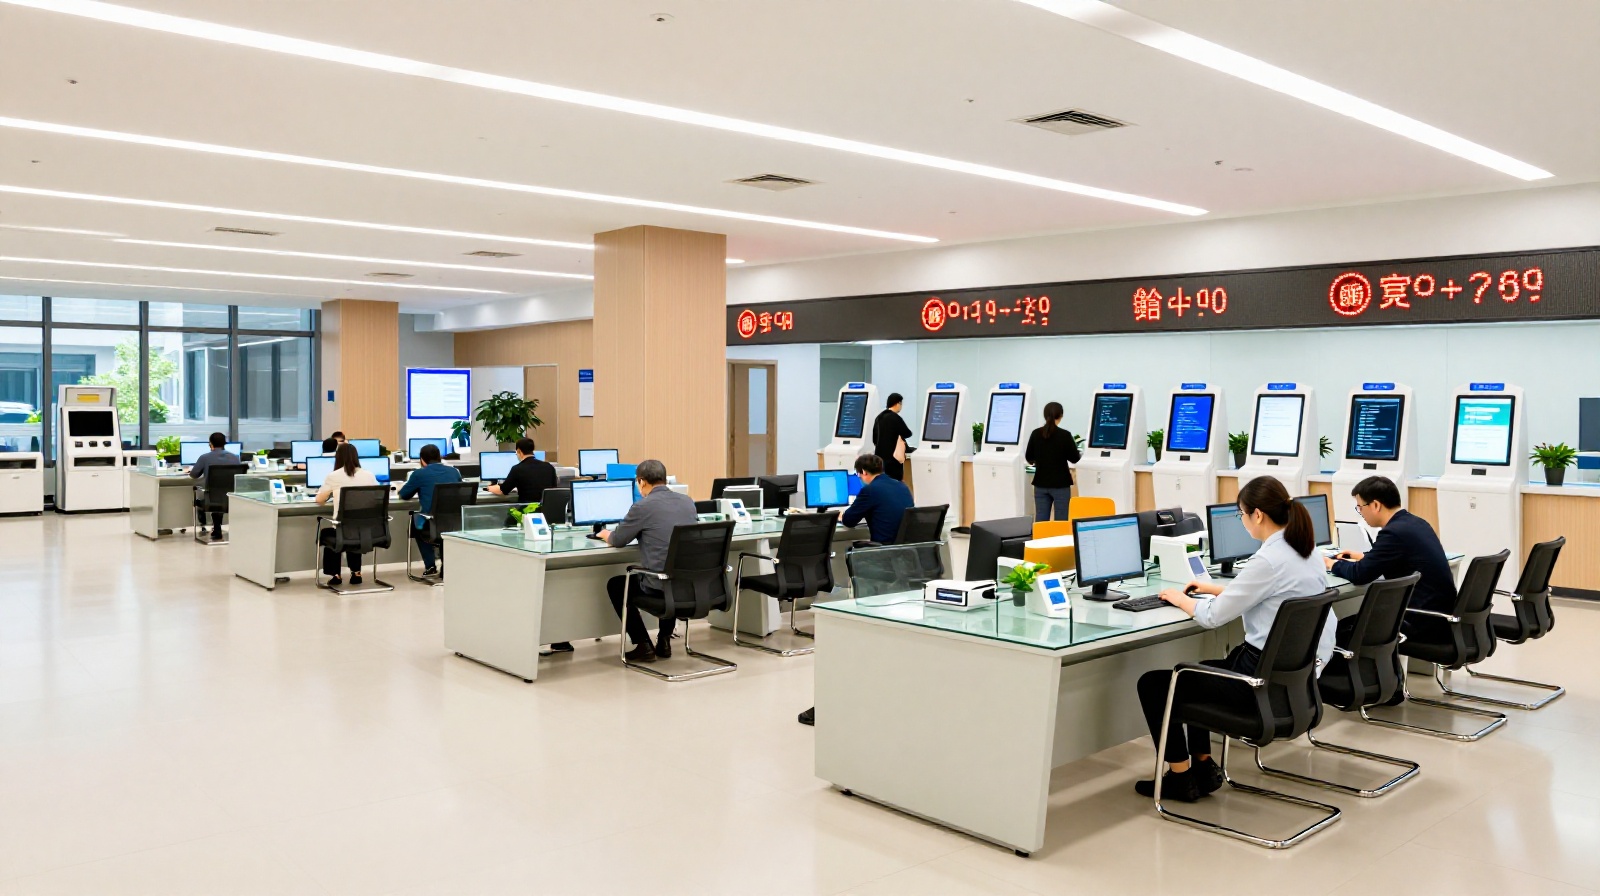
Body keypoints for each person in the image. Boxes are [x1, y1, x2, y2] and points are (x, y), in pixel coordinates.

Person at [1134, 476, 1334, 802]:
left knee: (1156, 684)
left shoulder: (1267, 560)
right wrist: (1215, 589)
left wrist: (1180, 598)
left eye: (1241, 514)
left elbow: (1213, 617)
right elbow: (1270, 595)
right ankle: (1203, 766)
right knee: (1199, 670)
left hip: (1256, 685)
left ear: (1258, 515)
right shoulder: (1306, 550)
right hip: (1290, 684)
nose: (1241, 521)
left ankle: (1180, 777)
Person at [1326, 475, 1457, 685]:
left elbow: (1361, 575)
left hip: (1421, 621)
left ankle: (1359, 687)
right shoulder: (1414, 523)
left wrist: (1331, 564)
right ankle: (1385, 684)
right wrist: (1366, 557)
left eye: (1360, 507)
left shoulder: (1393, 533)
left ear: (1376, 505)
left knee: (1344, 627)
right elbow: (1398, 557)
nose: (1361, 512)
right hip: (1439, 615)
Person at [602, 459, 699, 663]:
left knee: (617, 584)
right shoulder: (687, 501)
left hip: (659, 587)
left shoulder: (642, 506)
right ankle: (664, 639)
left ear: (642, 482)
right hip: (688, 584)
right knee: (672, 570)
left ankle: (643, 644)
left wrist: (604, 534)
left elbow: (618, 540)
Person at [314, 441, 380, 587]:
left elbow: (319, 500)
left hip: (343, 529)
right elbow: (377, 496)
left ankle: (335, 575)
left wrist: (329, 492)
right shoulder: (368, 475)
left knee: (331, 532)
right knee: (354, 526)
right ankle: (356, 573)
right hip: (366, 530)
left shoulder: (334, 476)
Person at [398, 442, 462, 577]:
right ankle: (447, 566)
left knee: (416, 524)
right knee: (443, 525)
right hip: (455, 523)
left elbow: (404, 495)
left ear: (422, 460)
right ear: (439, 457)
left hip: (431, 525)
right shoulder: (454, 471)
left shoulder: (418, 474)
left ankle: (430, 565)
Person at [1024, 401, 1082, 522]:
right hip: (1061, 485)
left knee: (1041, 521)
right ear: (1060, 416)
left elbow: (1029, 457)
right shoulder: (1065, 435)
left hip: (1040, 484)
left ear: (1045, 416)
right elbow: (1075, 458)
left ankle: (1040, 541)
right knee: (1060, 523)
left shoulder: (1036, 434)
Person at [842, 453, 914, 544]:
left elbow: (849, 521)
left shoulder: (869, 490)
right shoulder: (902, 486)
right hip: (907, 548)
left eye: (858, 474)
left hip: (883, 549)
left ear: (864, 472)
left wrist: (842, 516)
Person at [188, 431, 240, 541]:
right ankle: (217, 528)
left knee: (205, 495)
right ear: (225, 443)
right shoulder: (235, 458)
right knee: (220, 495)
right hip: (232, 499)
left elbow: (193, 475)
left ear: (210, 444)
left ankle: (211, 528)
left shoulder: (205, 457)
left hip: (211, 499)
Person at [486, 437, 557, 504]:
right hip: (546, 512)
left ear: (519, 451)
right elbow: (553, 489)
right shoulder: (549, 467)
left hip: (526, 512)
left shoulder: (517, 469)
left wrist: (489, 488)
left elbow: (502, 490)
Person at [871, 393, 913, 482]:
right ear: (897, 403)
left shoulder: (879, 417)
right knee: (894, 484)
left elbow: (874, 439)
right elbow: (907, 433)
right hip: (893, 460)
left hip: (879, 460)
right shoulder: (895, 418)